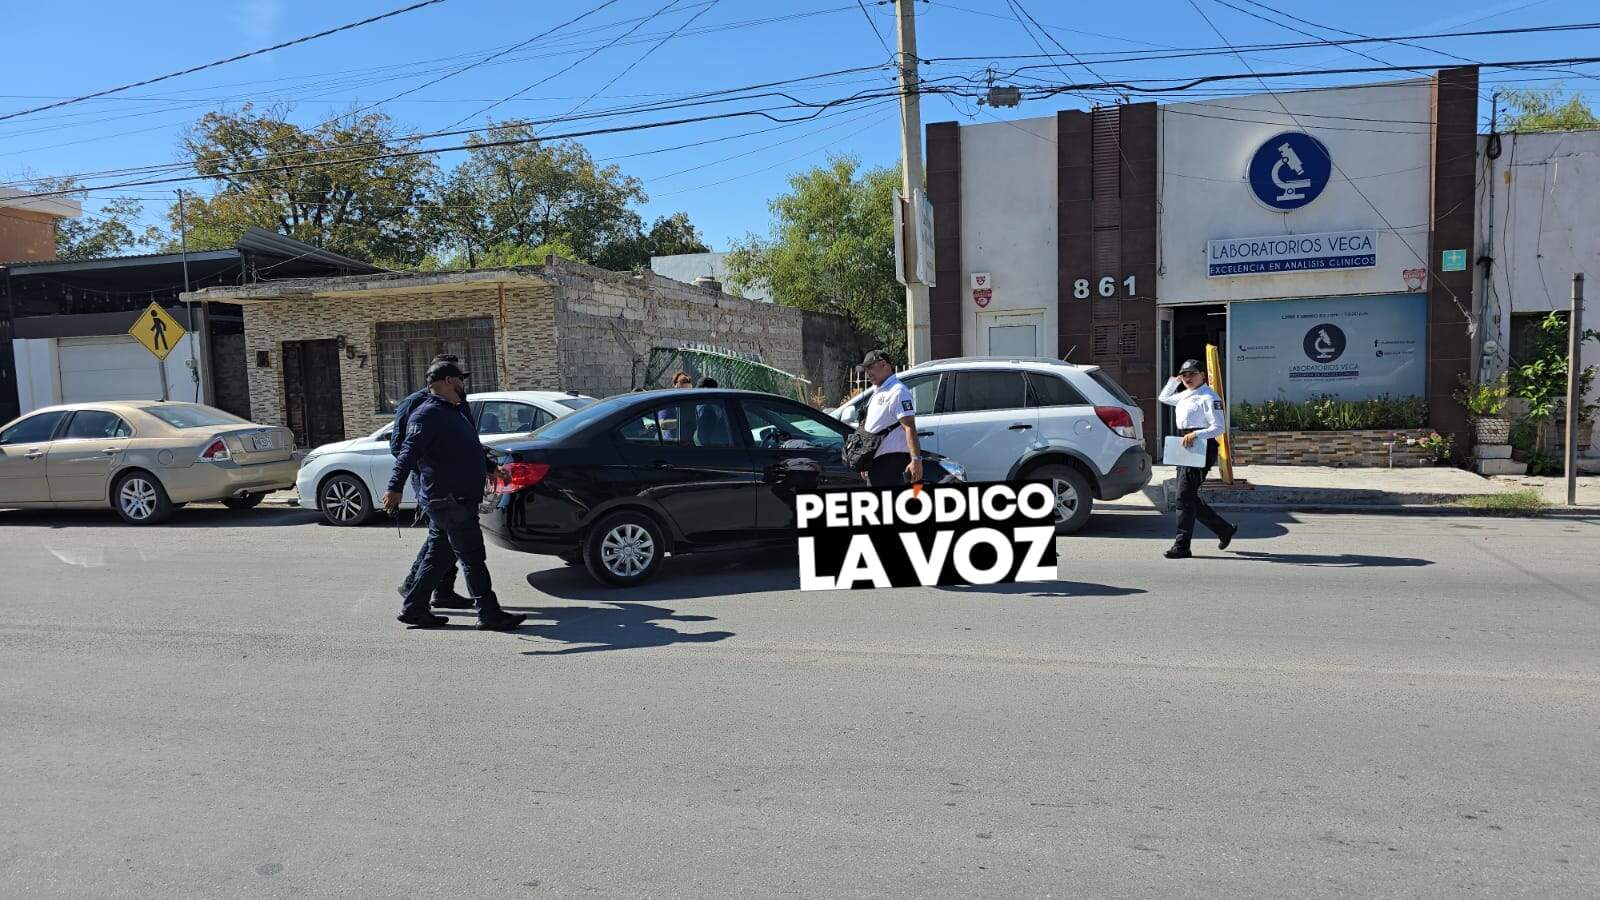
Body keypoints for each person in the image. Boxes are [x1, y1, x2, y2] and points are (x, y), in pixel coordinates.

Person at [383, 360, 527, 631]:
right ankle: (489, 613)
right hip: (449, 498)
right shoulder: (427, 414)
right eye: (460, 379)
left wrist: (492, 469)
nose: (464, 384)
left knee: (438, 557)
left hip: (457, 497)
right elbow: (406, 453)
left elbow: (470, 449)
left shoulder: (455, 411)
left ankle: (414, 608)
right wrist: (395, 487)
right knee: (473, 556)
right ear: (448, 381)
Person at [390, 353, 469, 610]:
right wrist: (427, 469)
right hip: (429, 479)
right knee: (444, 532)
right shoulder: (415, 403)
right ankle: (414, 585)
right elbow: (399, 447)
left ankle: (442, 591)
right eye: (456, 375)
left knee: (446, 535)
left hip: (456, 478)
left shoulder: (458, 401)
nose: (459, 381)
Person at [1158, 359, 1237, 559]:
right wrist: (1174, 381)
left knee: (1183, 498)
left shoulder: (1209, 397)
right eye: (1185, 375)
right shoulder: (1185, 394)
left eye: (1192, 374)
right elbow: (1163, 397)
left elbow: (1219, 427)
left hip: (1201, 445)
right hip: (1185, 444)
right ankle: (1224, 529)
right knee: (1188, 497)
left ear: (1203, 375)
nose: (1188, 378)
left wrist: (1197, 435)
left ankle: (1182, 545)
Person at [856, 349, 923, 487]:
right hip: (876, 464)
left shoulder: (898, 391)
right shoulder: (878, 391)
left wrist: (915, 459)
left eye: (871, 367)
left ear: (884, 364)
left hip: (892, 464)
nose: (868, 373)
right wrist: (865, 461)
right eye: (866, 369)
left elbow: (909, 427)